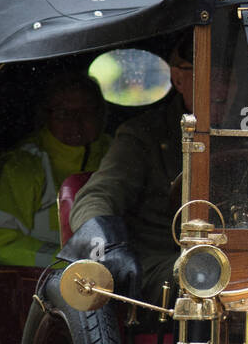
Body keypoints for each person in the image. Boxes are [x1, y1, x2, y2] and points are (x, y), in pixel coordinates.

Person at [66, 36, 233, 303]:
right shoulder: (144, 135)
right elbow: (97, 197)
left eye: (229, 76)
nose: (220, 87)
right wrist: (105, 247)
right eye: (208, 76)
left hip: (243, 256)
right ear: (178, 79)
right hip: (164, 259)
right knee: (205, 274)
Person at [0, 72, 110, 266]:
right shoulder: (23, 167)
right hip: (42, 286)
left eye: (87, 111)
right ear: (45, 117)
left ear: (101, 115)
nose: (75, 122)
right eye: (63, 113)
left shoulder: (119, 157)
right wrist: (68, 261)